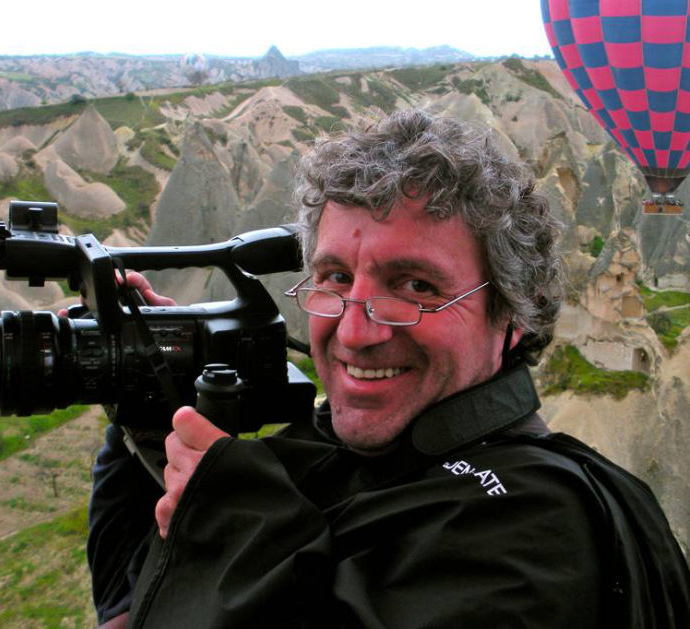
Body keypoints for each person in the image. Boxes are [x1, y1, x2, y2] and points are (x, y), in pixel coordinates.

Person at [86, 109, 688, 628]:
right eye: (335, 278)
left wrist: (230, 521)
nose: (354, 331)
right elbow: (130, 607)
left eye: (416, 286)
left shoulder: (540, 530)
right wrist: (150, 395)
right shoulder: (361, 454)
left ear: (513, 315)